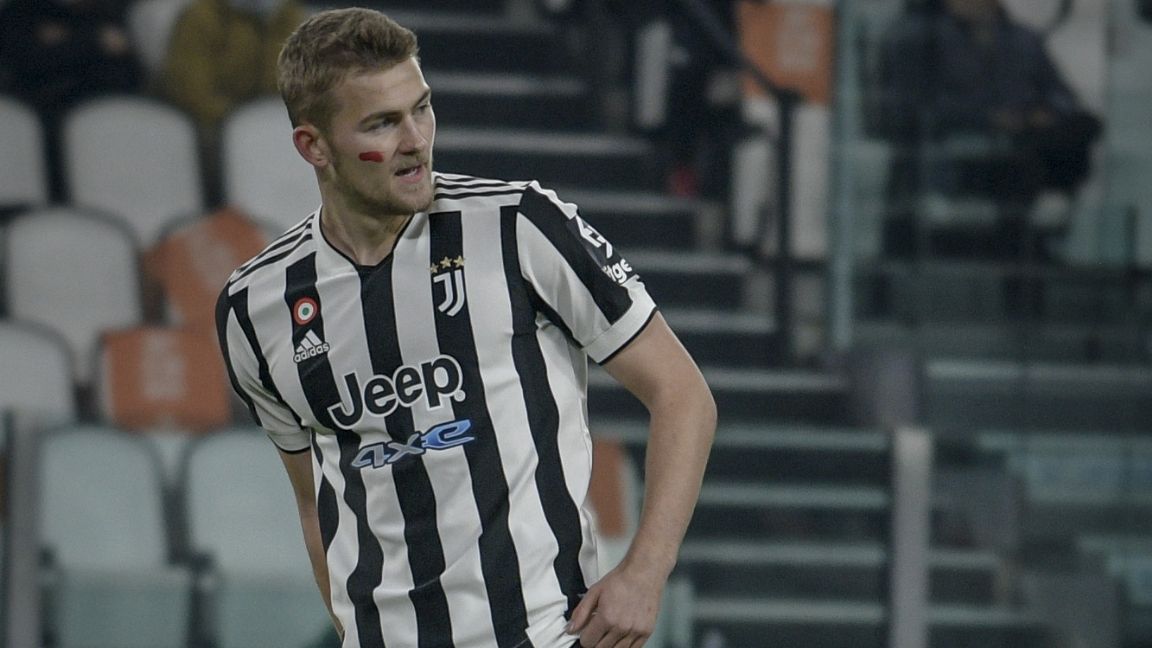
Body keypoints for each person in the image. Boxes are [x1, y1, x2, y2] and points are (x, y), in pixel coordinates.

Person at [214, 8, 717, 648]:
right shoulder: (255, 308)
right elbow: (315, 502)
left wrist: (645, 572)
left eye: (422, 109)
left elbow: (683, 394)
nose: (416, 139)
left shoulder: (520, 226)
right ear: (313, 146)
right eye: (382, 123)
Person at [871, 0, 1100, 261]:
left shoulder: (1023, 40)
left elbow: (1062, 96)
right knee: (1023, 164)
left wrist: (1045, 113)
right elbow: (916, 107)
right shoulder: (921, 39)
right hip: (963, 151)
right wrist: (988, 118)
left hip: (1027, 139)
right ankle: (1021, 249)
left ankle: (1029, 243)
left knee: (1082, 126)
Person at [0, 0, 141, 198]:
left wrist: (68, 44)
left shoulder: (103, 13)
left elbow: (127, 72)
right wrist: (94, 42)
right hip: (47, 123)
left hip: (110, 124)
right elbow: (31, 64)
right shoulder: (19, 13)